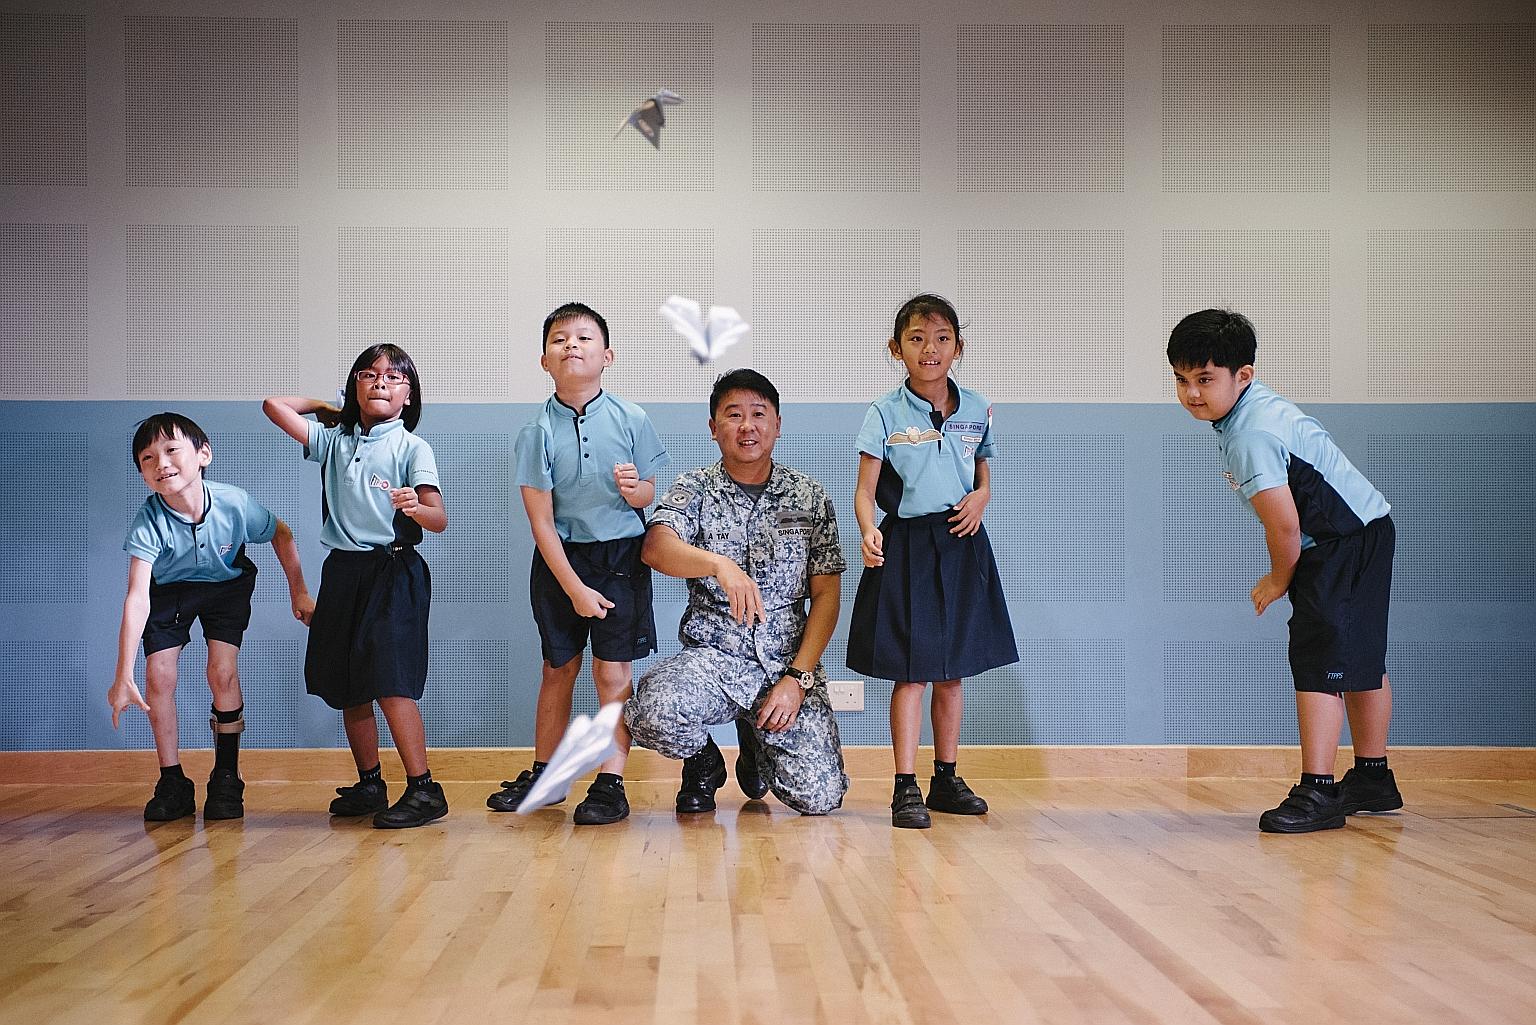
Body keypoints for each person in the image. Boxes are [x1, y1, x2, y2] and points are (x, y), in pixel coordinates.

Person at [1168, 309, 1402, 833]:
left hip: (1340, 544)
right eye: (1182, 380)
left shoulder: (1249, 434)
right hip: (1369, 530)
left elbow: (1285, 530)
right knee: (1360, 654)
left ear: (1242, 375)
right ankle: (1372, 776)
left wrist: (1279, 580)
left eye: (1204, 379)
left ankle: (1318, 790)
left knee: (1319, 659)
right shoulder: (1255, 408)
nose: (1191, 394)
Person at [625, 369, 849, 815]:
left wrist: (798, 679)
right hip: (716, 658)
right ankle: (704, 763)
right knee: (652, 711)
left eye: (758, 415)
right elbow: (655, 546)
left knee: (821, 799)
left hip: (785, 667)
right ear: (713, 428)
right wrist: (718, 564)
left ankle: (756, 746)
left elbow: (827, 595)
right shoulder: (696, 489)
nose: (747, 426)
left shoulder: (808, 496)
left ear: (778, 424)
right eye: (733, 415)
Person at [485, 303, 667, 825]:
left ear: (606, 355)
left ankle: (610, 783)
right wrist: (574, 589)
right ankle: (548, 774)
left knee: (613, 675)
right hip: (560, 560)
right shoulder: (535, 431)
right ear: (544, 360)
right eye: (559, 339)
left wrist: (639, 492)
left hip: (621, 558)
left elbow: (653, 493)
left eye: (584, 337)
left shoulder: (633, 417)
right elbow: (541, 522)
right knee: (557, 669)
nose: (571, 345)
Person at [847, 294, 1019, 829]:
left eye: (942, 339)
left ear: (958, 348)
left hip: (962, 542)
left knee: (953, 673)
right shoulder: (884, 412)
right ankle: (905, 786)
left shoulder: (977, 407)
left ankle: (947, 777)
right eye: (917, 339)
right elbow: (865, 489)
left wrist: (983, 496)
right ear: (896, 348)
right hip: (909, 547)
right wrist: (868, 529)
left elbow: (983, 469)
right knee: (912, 673)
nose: (930, 349)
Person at [263, 344, 450, 829]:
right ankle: (370, 783)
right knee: (348, 685)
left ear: (409, 394)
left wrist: (413, 506)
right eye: (368, 375)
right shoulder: (333, 441)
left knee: (390, 681)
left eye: (393, 376)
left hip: (393, 571)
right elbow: (273, 405)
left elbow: (440, 520)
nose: (380, 382)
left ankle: (423, 789)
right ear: (353, 388)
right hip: (343, 571)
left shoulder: (412, 447)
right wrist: (332, 409)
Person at [109, 412, 313, 821]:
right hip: (169, 591)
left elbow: (281, 533)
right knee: (158, 677)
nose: (161, 463)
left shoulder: (234, 503)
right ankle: (172, 780)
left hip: (226, 585)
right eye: (147, 459)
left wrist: (300, 591)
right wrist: (122, 675)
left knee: (221, 673)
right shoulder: (150, 520)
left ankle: (226, 775)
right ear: (143, 474)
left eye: (171, 450)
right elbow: (136, 597)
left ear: (203, 454)